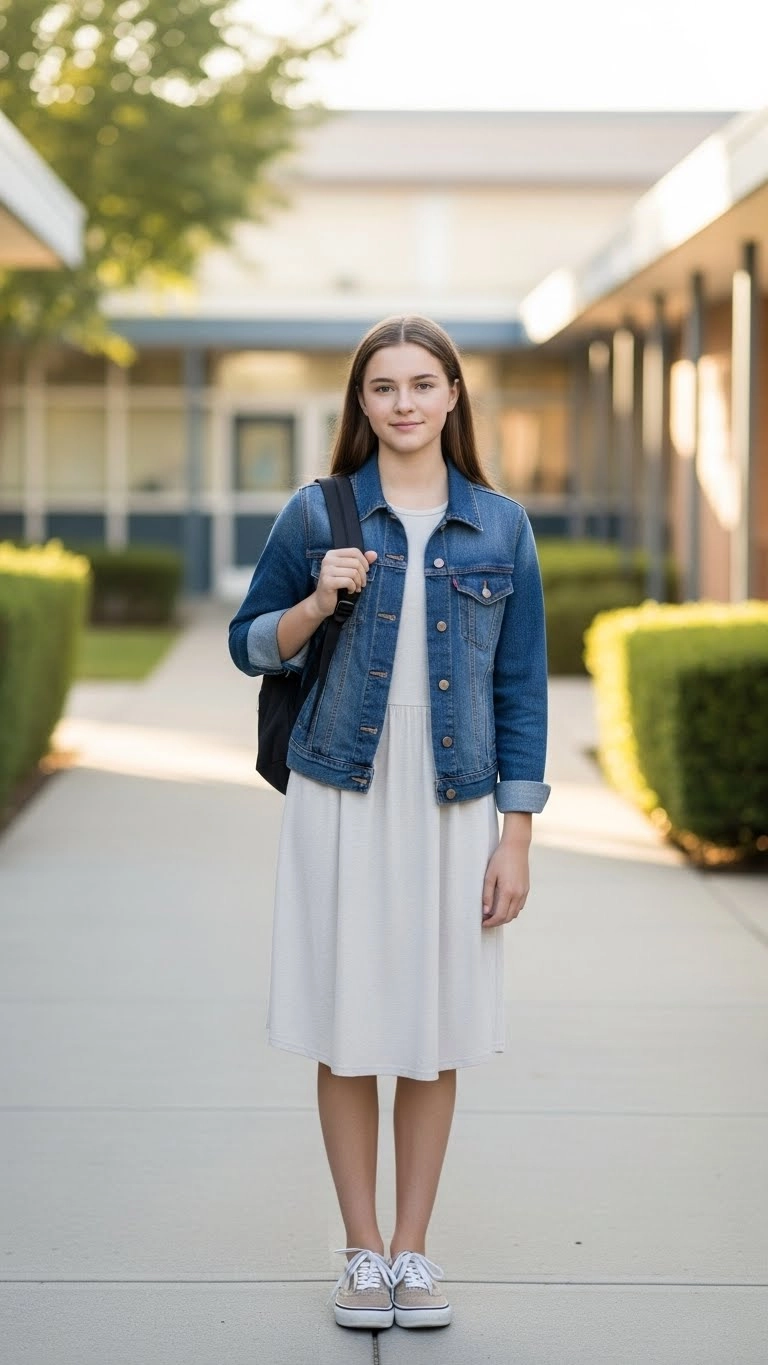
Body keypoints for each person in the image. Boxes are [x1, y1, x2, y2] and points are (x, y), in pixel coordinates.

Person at [228, 314, 550, 1331]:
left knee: (433, 1027)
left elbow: (522, 687)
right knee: (349, 1024)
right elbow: (250, 645)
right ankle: (361, 1253)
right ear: (360, 402)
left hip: (454, 799)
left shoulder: (500, 525)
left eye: (422, 384)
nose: (403, 404)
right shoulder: (317, 514)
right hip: (341, 791)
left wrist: (517, 834)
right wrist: (319, 601)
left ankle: (415, 1251)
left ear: (454, 395)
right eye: (383, 387)